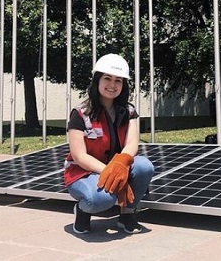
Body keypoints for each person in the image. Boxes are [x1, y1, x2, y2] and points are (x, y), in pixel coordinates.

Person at [63, 53, 154, 235]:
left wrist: (120, 165)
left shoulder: (129, 112)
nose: (112, 85)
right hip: (83, 173)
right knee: (100, 200)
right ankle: (82, 210)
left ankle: (127, 215)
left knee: (144, 166)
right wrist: (111, 172)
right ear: (97, 80)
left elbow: (132, 144)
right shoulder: (80, 113)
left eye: (118, 81)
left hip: (117, 167)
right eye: (107, 78)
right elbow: (80, 156)